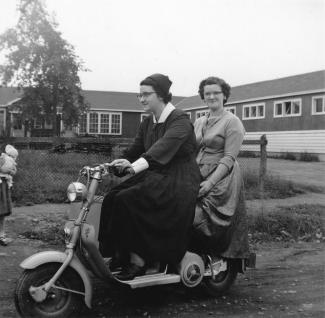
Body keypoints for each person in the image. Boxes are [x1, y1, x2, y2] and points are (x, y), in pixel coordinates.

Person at [98, 73, 201, 280]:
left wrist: (132, 168)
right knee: (112, 198)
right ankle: (120, 253)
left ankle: (140, 259)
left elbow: (162, 149)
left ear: (161, 95)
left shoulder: (180, 120)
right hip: (156, 175)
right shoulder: (147, 122)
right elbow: (135, 150)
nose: (142, 99)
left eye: (146, 95)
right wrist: (114, 164)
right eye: (140, 95)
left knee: (128, 200)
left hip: (179, 180)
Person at [192, 76, 249, 259]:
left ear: (224, 95)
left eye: (216, 92)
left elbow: (229, 158)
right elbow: (191, 150)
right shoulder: (200, 121)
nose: (211, 96)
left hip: (221, 177)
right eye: (207, 93)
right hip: (198, 173)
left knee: (204, 217)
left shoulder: (232, 122)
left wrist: (210, 183)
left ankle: (215, 259)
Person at [0, 144, 18, 246]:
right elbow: (2, 169)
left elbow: (13, 171)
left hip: (4, 186)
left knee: (2, 212)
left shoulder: (6, 158)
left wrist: (11, 171)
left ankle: (1, 235)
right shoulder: (2, 158)